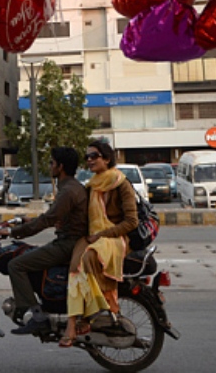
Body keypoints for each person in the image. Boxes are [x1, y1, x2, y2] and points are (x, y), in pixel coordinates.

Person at [0, 147, 88, 335]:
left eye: (51, 162)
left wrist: (12, 232)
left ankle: (36, 316)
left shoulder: (68, 191)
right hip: (71, 241)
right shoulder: (72, 187)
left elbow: (47, 221)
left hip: (67, 245)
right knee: (26, 253)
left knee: (16, 265)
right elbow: (55, 217)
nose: (49, 166)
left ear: (60, 166)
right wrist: (27, 220)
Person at [60, 140, 138, 348]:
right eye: (87, 157)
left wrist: (103, 234)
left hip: (114, 239)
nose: (89, 160)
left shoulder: (121, 184)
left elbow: (131, 221)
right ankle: (74, 320)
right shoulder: (92, 185)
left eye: (94, 156)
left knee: (87, 259)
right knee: (74, 266)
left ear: (107, 158)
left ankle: (83, 319)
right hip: (93, 237)